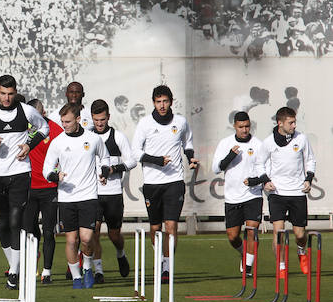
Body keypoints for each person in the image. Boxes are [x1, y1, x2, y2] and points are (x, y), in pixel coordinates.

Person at [0, 75, 50, 289]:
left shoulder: (26, 110)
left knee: (16, 221)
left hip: (20, 173)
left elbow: (44, 129)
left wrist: (29, 145)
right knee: (3, 224)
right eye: (3, 94)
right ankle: (14, 265)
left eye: (10, 94)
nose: (7, 98)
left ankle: (14, 273)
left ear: (16, 92)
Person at [131, 85, 198, 282]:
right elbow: (135, 151)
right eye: (158, 102)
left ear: (171, 102)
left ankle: (167, 267)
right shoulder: (145, 124)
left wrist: (191, 158)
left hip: (174, 181)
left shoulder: (181, 122)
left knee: (171, 226)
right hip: (152, 182)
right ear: (153, 102)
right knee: (155, 227)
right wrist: (156, 160)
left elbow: (188, 143)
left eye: (165, 101)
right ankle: (160, 258)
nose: (162, 105)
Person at [42, 104, 107, 289]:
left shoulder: (93, 139)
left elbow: (105, 158)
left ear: (78, 119)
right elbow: (47, 169)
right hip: (66, 197)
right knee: (71, 240)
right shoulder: (57, 142)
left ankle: (87, 267)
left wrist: (104, 172)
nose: (65, 125)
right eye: (62, 122)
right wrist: (56, 176)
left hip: (88, 195)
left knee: (86, 238)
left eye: (68, 121)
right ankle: (77, 277)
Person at [251, 106, 316, 274]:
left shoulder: (301, 139)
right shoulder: (268, 142)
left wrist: (308, 179)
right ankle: (281, 266)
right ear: (280, 123)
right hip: (277, 193)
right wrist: (266, 181)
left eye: (294, 122)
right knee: (278, 231)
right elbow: (259, 163)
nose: (294, 125)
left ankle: (301, 251)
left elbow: (310, 160)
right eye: (291, 122)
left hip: (297, 192)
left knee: (300, 234)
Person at [211, 111, 264, 274]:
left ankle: (248, 267)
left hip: (252, 194)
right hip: (232, 197)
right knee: (233, 236)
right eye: (241, 127)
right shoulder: (225, 143)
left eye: (247, 126)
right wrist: (230, 156)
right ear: (235, 126)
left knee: (252, 229)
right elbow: (215, 169)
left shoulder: (258, 144)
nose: (244, 130)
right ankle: (244, 254)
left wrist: (255, 181)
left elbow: (265, 169)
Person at [90, 99, 137, 283]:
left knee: (114, 234)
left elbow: (132, 160)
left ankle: (120, 253)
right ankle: (98, 270)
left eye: (102, 119)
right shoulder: (88, 137)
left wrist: (113, 170)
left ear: (108, 117)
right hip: (92, 193)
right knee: (93, 232)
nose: (99, 123)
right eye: (96, 120)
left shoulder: (117, 137)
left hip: (113, 193)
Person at [24, 98, 63, 284]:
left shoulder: (55, 130)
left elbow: (65, 154)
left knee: (48, 231)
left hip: (49, 188)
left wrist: (58, 175)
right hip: (28, 188)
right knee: (30, 231)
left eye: (36, 115)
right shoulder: (23, 129)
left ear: (43, 113)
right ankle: (32, 261)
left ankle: (47, 271)